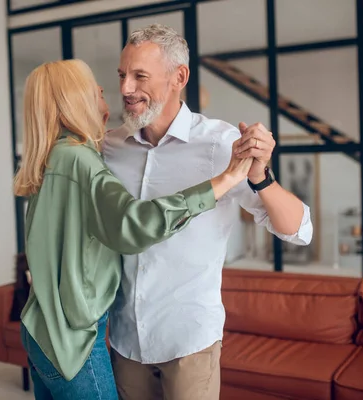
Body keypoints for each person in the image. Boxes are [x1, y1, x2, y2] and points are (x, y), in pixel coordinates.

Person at [13, 59, 255, 400]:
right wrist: (223, 181)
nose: (111, 96)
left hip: (39, 327)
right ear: (77, 99)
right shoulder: (80, 160)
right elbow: (134, 223)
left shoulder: (53, 156)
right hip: (71, 339)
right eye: (98, 91)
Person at [103, 24, 314, 400]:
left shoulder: (221, 143)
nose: (125, 89)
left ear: (178, 77)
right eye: (122, 75)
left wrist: (261, 175)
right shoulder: (111, 147)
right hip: (124, 339)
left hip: (188, 340)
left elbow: (298, 231)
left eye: (139, 76)